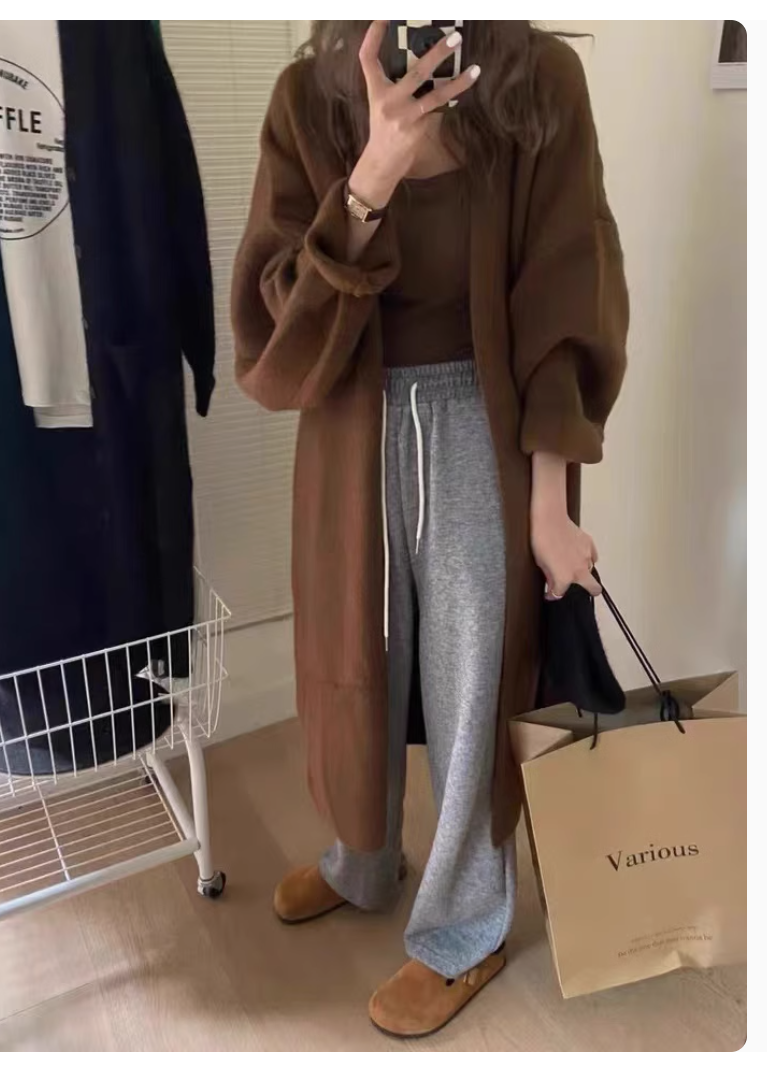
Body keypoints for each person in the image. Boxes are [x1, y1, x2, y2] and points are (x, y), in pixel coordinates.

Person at [231, 20, 628, 1038]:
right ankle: (361, 858)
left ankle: (464, 925)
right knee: (351, 662)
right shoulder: (306, 98)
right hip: (347, 425)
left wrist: (549, 503)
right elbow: (273, 336)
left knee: (472, 682)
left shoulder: (539, 81)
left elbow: (566, 291)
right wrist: (372, 172)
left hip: (484, 429)